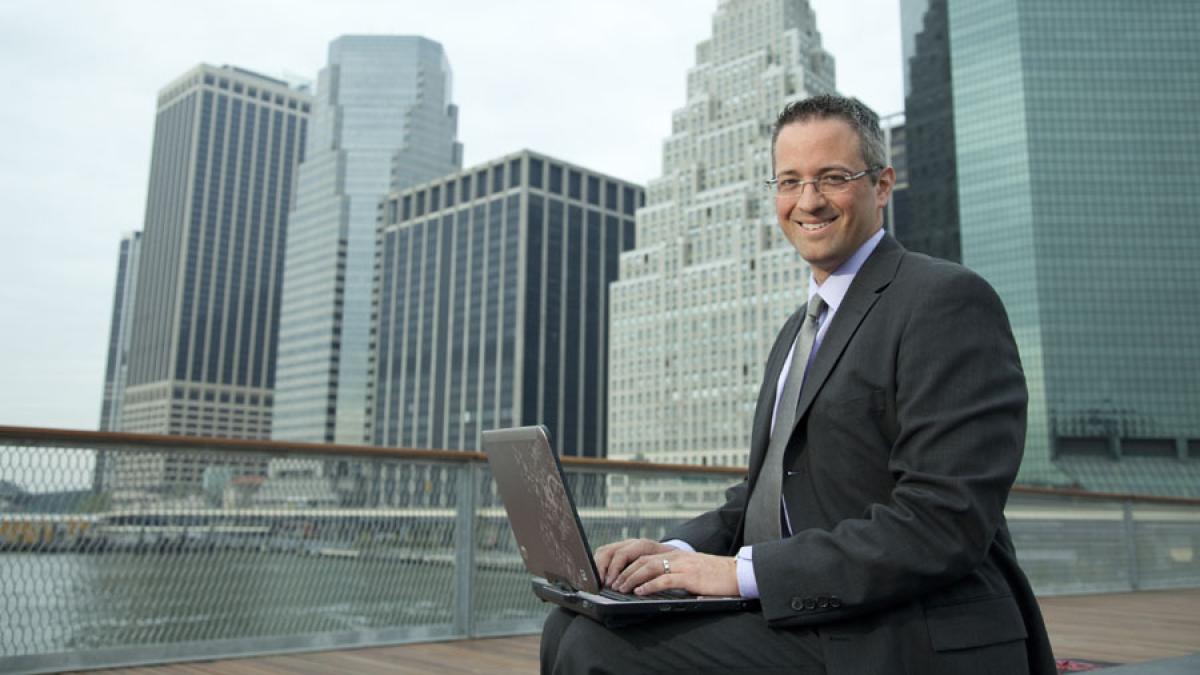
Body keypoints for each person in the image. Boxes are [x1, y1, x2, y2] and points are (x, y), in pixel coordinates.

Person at [540, 94, 1056, 674]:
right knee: (573, 621)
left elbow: (943, 520)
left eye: (832, 177)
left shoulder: (945, 301)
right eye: (789, 181)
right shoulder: (798, 330)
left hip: (911, 628)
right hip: (815, 615)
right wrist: (673, 554)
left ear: (882, 185)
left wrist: (734, 572)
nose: (807, 201)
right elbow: (761, 498)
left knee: (597, 650)